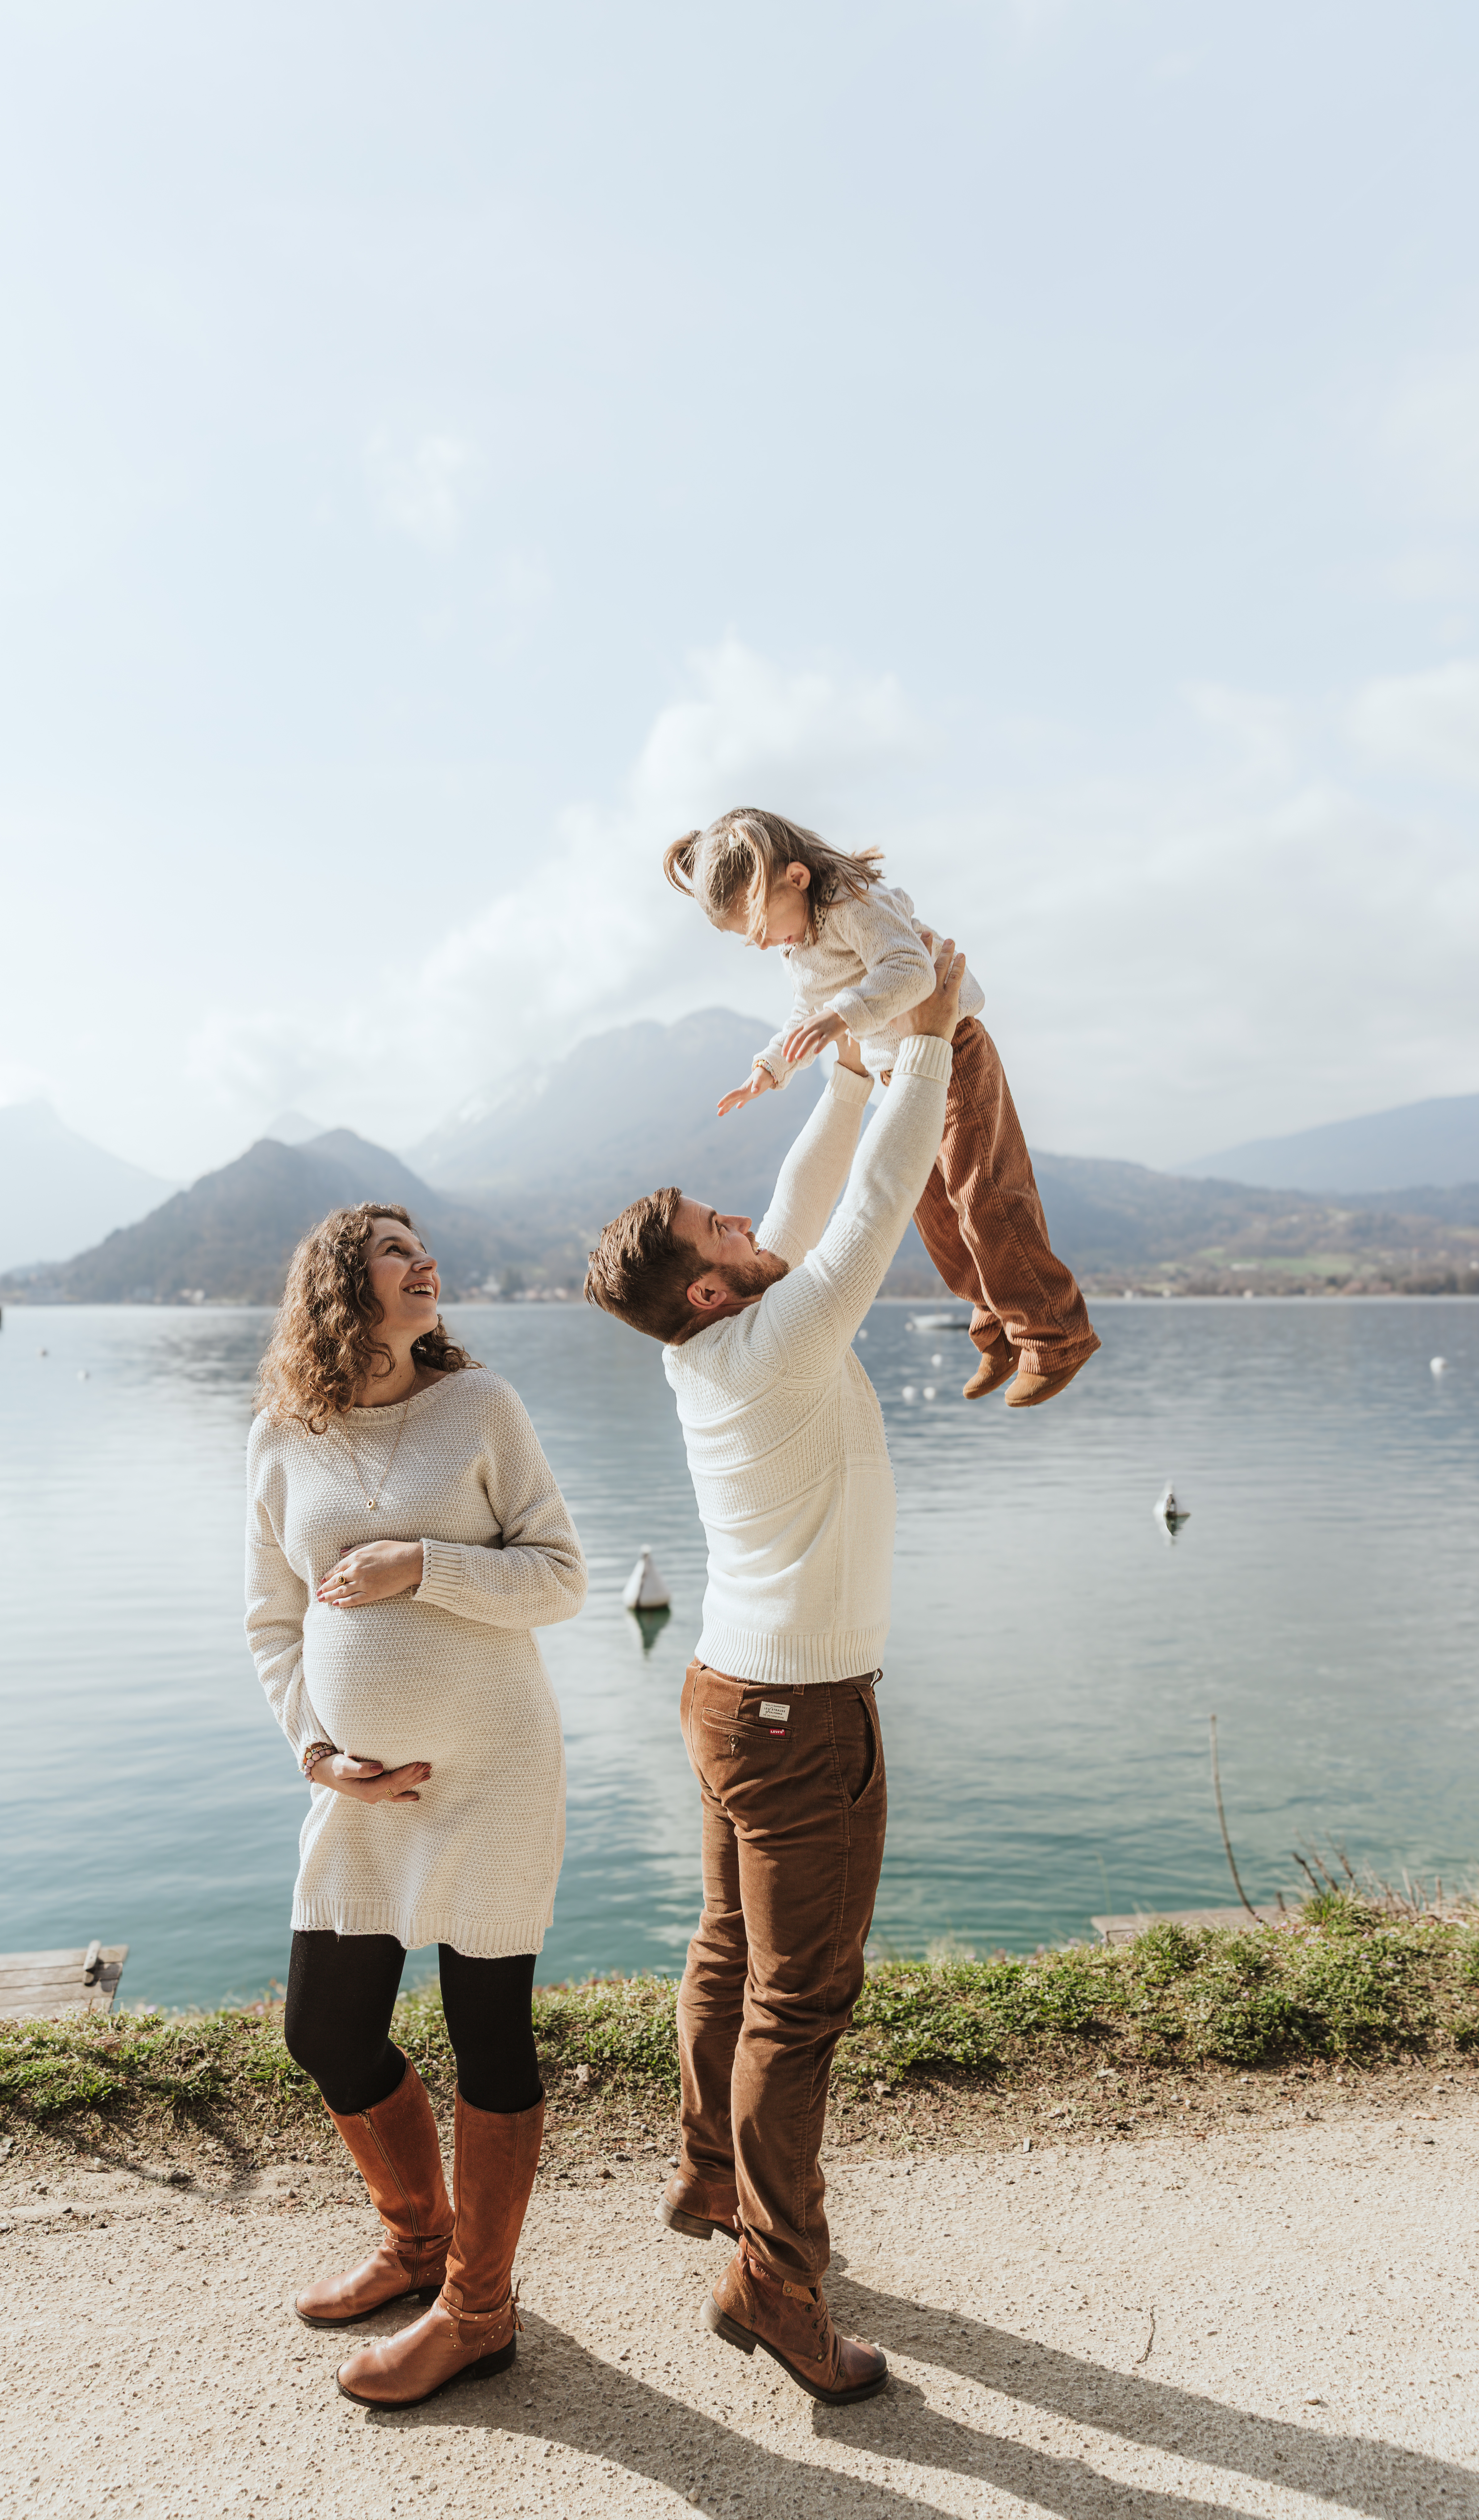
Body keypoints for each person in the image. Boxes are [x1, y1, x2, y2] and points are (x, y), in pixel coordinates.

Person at [583, 944, 968, 2408]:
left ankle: (702, 2179)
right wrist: (919, 1044)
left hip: (726, 1694)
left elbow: (810, 1191)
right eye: (714, 1219)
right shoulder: (781, 1337)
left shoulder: (724, 1336)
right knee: (793, 2004)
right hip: (802, 1715)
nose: (743, 1215)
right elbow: (874, 1202)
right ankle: (776, 2282)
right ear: (704, 1276)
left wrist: (847, 1054)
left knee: (725, 1954)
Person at [245, 1203, 586, 2409]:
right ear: (341, 1285)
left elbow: (559, 1579)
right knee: (324, 2032)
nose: (422, 1259)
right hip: (360, 1794)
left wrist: (418, 1566)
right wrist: (320, 1752)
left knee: (487, 2032)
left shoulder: (481, 1408)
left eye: (420, 1244)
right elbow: (272, 1621)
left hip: (492, 1772)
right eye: (392, 1248)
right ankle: (416, 2241)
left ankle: (478, 2313)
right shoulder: (284, 1436)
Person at [664, 806, 1099, 1406]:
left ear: (796, 877)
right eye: (752, 939)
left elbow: (911, 971)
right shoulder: (802, 946)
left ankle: (1054, 1336)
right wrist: (770, 1066)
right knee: (935, 1219)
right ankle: (996, 1329)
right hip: (898, 1076)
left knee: (986, 1198)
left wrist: (842, 1015)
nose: (765, 943)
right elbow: (804, 1013)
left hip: (951, 1050)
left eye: (762, 925)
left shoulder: (850, 903)